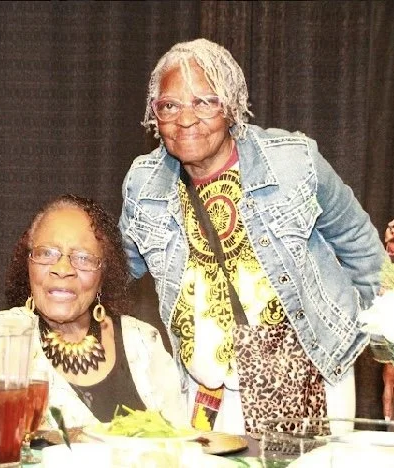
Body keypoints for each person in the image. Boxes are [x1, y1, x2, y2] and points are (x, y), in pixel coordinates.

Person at [119, 38, 388, 434]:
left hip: (307, 375)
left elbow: (362, 248)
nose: (185, 119)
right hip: (206, 387)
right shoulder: (144, 183)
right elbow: (115, 269)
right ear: (154, 115)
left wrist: (386, 350)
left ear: (231, 106)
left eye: (204, 102)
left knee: (307, 464)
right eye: (170, 106)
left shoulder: (292, 161)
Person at [0, 194, 188, 429]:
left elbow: (182, 440)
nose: (63, 269)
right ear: (29, 264)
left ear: (103, 274)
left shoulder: (144, 342)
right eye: (47, 253)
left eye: (83, 258)